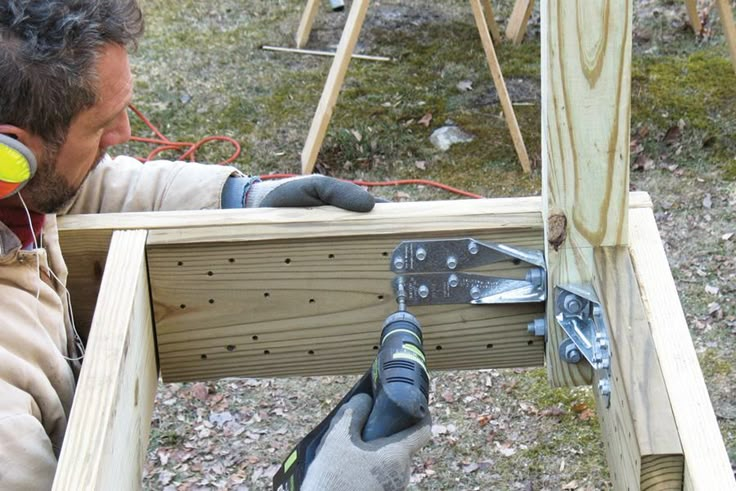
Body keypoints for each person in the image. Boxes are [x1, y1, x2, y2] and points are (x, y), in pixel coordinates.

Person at [0, 1, 430, 489]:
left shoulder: (22, 191)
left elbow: (87, 192)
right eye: (100, 128)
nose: (124, 135)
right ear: (9, 154)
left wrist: (237, 197)